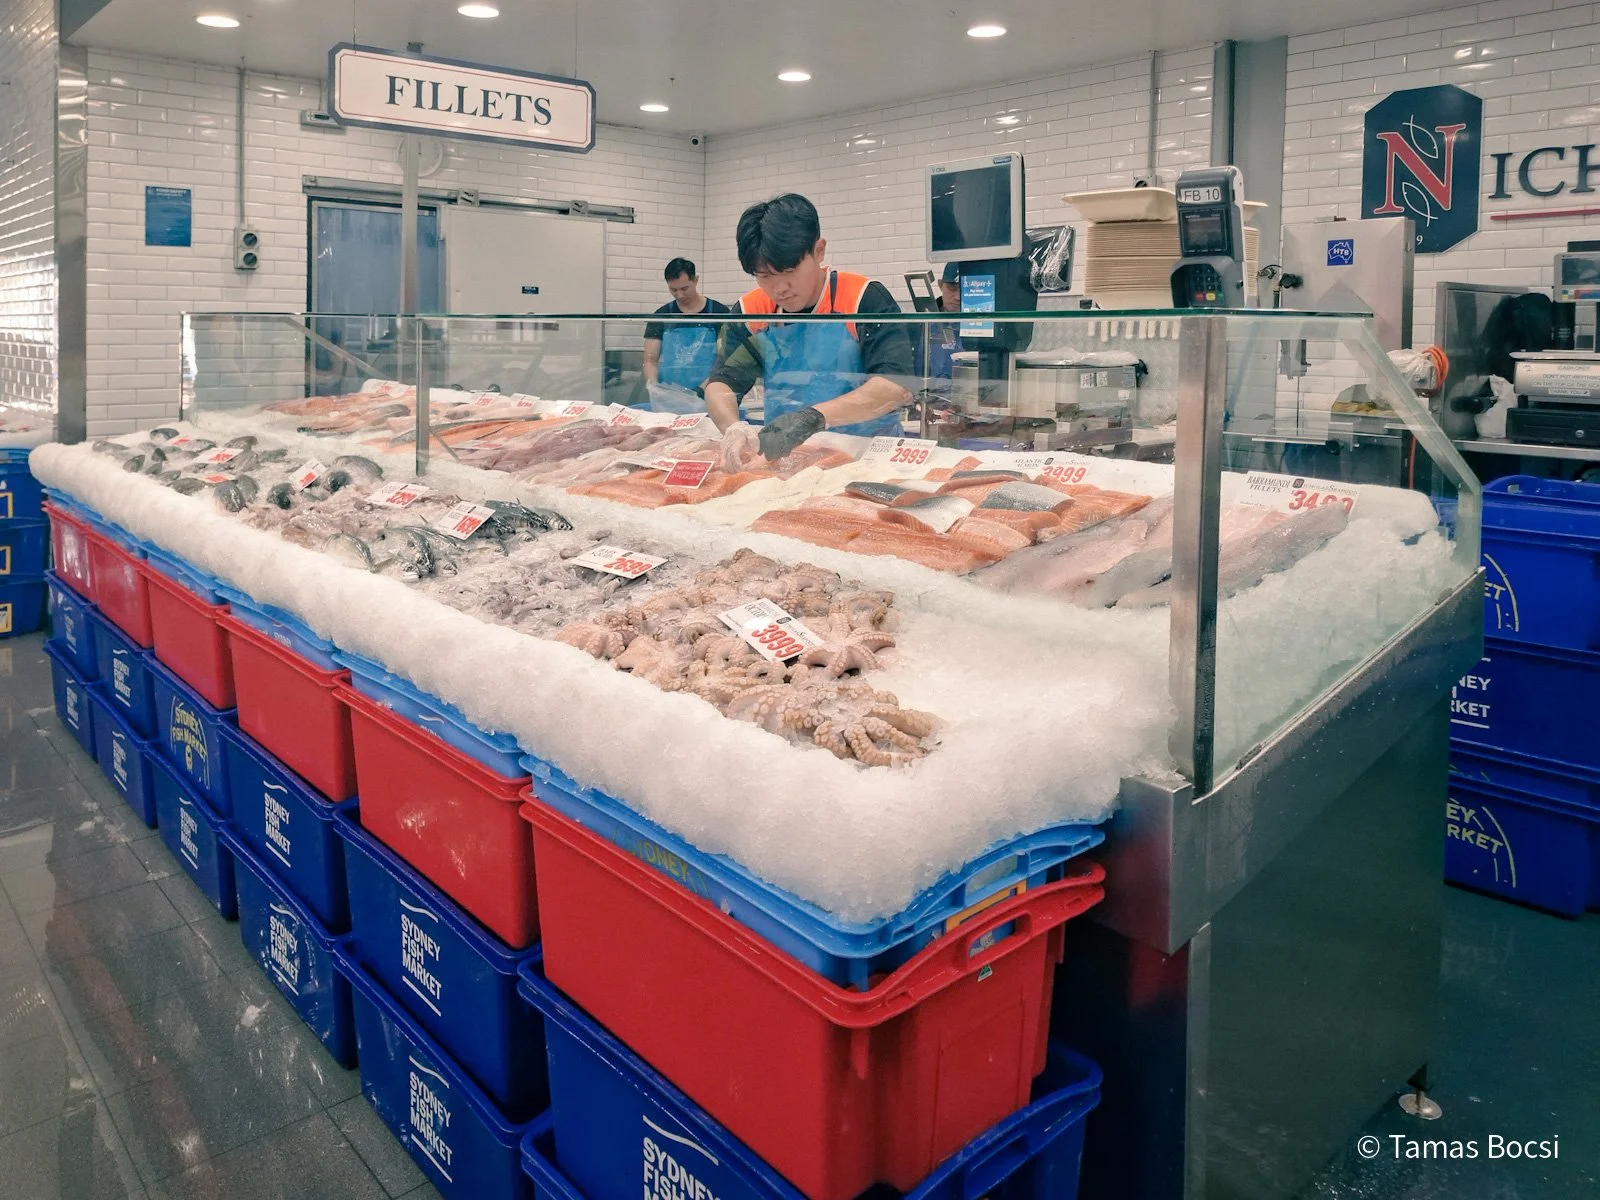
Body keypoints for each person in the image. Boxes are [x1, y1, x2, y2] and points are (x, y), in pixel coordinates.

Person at [704, 194, 913, 459]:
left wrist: (814, 418)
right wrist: (732, 427)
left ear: (819, 250)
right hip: (786, 457)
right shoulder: (751, 310)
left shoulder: (862, 298)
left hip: (867, 453)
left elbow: (894, 385)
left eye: (789, 270)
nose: (779, 288)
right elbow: (722, 382)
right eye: (764, 276)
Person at [642, 258, 729, 408]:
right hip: (669, 399)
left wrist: (702, 390)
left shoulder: (719, 313)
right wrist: (654, 387)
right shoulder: (662, 315)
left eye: (684, 289)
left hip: (709, 395)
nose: (680, 295)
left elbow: (726, 359)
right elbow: (650, 360)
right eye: (673, 290)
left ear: (695, 280)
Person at [913, 262, 963, 391]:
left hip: (964, 400)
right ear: (940, 285)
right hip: (927, 399)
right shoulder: (923, 323)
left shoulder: (980, 326)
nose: (957, 297)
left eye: (964, 289)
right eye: (952, 287)